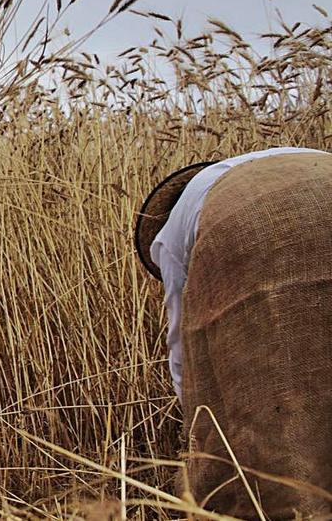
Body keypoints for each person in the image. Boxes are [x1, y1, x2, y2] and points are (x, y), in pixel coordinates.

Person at [134, 146, 332, 518]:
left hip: (251, 229)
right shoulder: (298, 156)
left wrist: (195, 418)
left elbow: (184, 345)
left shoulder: (177, 225)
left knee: (279, 418)